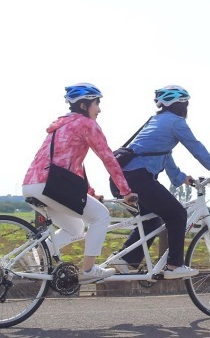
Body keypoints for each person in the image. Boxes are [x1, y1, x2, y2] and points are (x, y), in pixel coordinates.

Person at [109, 85, 210, 279]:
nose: (187, 108)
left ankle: (125, 259)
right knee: (177, 214)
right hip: (139, 177)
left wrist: (182, 178)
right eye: (187, 104)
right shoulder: (176, 122)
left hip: (125, 177)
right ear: (181, 104)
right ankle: (175, 265)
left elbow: (164, 155)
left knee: (152, 220)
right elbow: (197, 149)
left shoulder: (156, 121)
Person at [22, 83, 138, 282]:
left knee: (75, 228)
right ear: (85, 106)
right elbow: (108, 158)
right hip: (52, 185)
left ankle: (34, 254)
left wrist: (90, 192)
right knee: (101, 215)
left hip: (32, 184)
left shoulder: (61, 125)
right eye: (97, 103)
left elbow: (73, 165)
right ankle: (88, 270)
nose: (99, 109)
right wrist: (125, 191)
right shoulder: (87, 124)